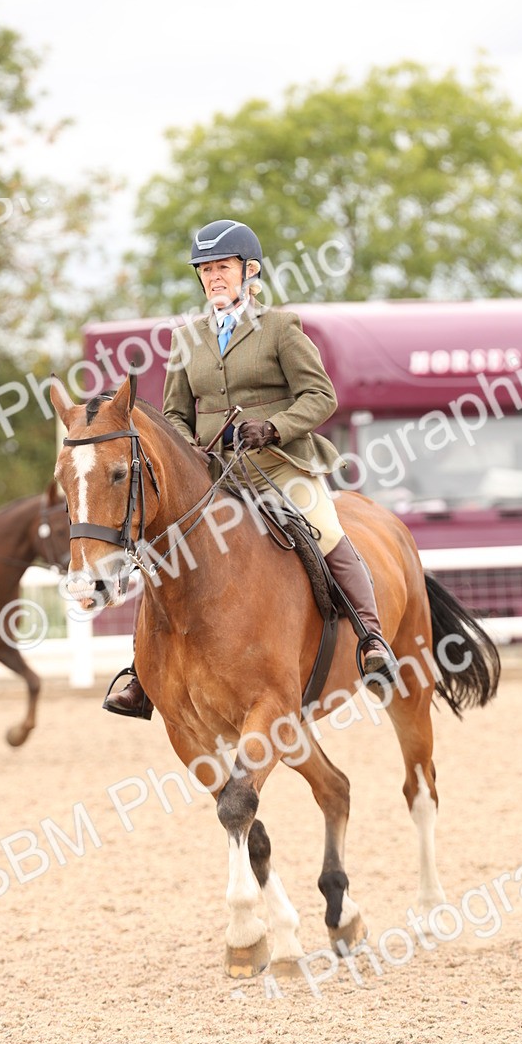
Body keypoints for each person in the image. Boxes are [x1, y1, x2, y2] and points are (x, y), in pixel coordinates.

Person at [103, 217, 397, 718]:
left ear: (249, 271)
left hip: (278, 463)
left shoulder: (281, 328)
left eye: (223, 267)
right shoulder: (186, 338)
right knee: (163, 553)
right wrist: (188, 450)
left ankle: (371, 638)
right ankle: (142, 672)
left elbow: (320, 396)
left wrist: (275, 427)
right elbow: (175, 412)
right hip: (213, 472)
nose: (214, 277)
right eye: (206, 270)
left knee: (324, 527)